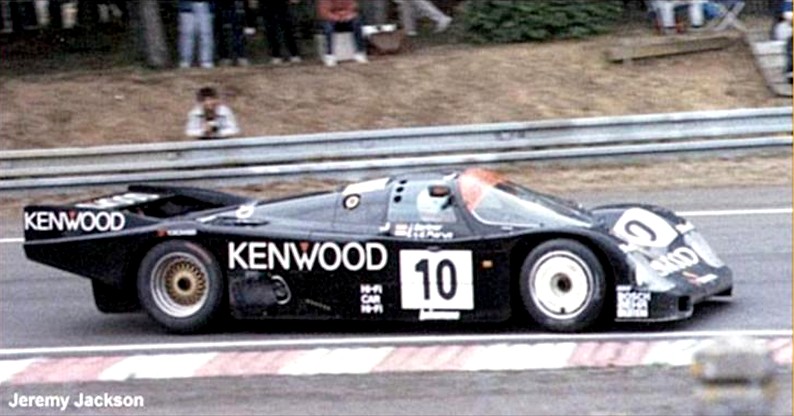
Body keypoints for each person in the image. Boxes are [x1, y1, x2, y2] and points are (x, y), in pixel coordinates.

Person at [317, 0, 368, 67]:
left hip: (346, 19)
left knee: (357, 24)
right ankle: (329, 55)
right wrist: (336, 17)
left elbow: (353, 9)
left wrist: (347, 16)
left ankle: (359, 52)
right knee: (328, 28)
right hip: (331, 20)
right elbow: (324, 13)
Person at [178, 0, 215, 69]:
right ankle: (185, 60)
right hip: (187, 6)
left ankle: (206, 60)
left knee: (206, 34)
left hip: (206, 5)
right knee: (187, 34)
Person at [263, 0, 302, 64]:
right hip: (267, 7)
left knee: (287, 30)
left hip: (282, 6)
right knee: (271, 32)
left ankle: (294, 54)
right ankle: (276, 55)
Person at [217, 0, 250, 66]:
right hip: (224, 6)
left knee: (239, 30)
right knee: (225, 31)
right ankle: (226, 56)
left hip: (238, 6)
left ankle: (241, 55)